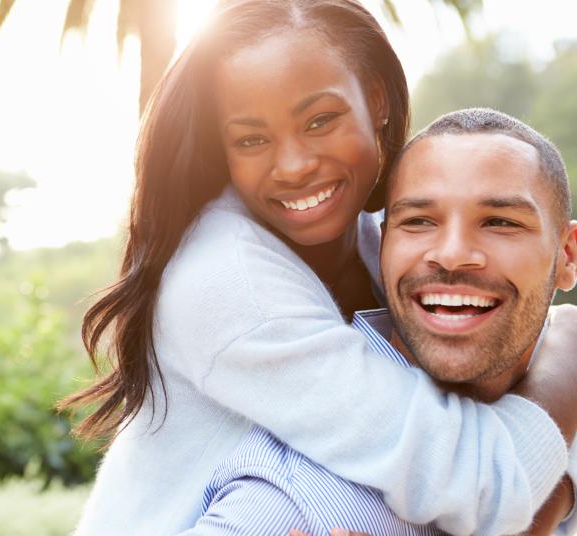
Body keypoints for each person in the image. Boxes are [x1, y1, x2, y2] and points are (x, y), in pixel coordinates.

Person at [68, 2, 577, 535]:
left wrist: (556, 492)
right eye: (251, 140)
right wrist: (568, 348)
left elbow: (498, 432)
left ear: (376, 100)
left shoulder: (378, 238)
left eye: (320, 120)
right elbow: (480, 485)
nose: (293, 165)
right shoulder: (227, 279)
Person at [180, 108, 577, 536]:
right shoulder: (293, 496)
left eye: (500, 222)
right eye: (419, 221)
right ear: (384, 242)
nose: (451, 252)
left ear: (567, 257)